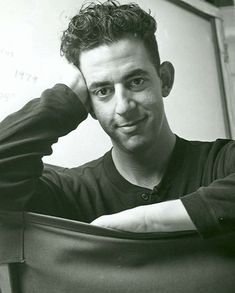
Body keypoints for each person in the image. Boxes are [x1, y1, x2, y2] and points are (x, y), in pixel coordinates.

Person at [0, 0, 234, 238]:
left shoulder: (222, 163)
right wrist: (65, 99)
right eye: (103, 91)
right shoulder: (69, 192)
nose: (124, 106)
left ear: (164, 79)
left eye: (136, 82)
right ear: (88, 105)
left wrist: (145, 221)